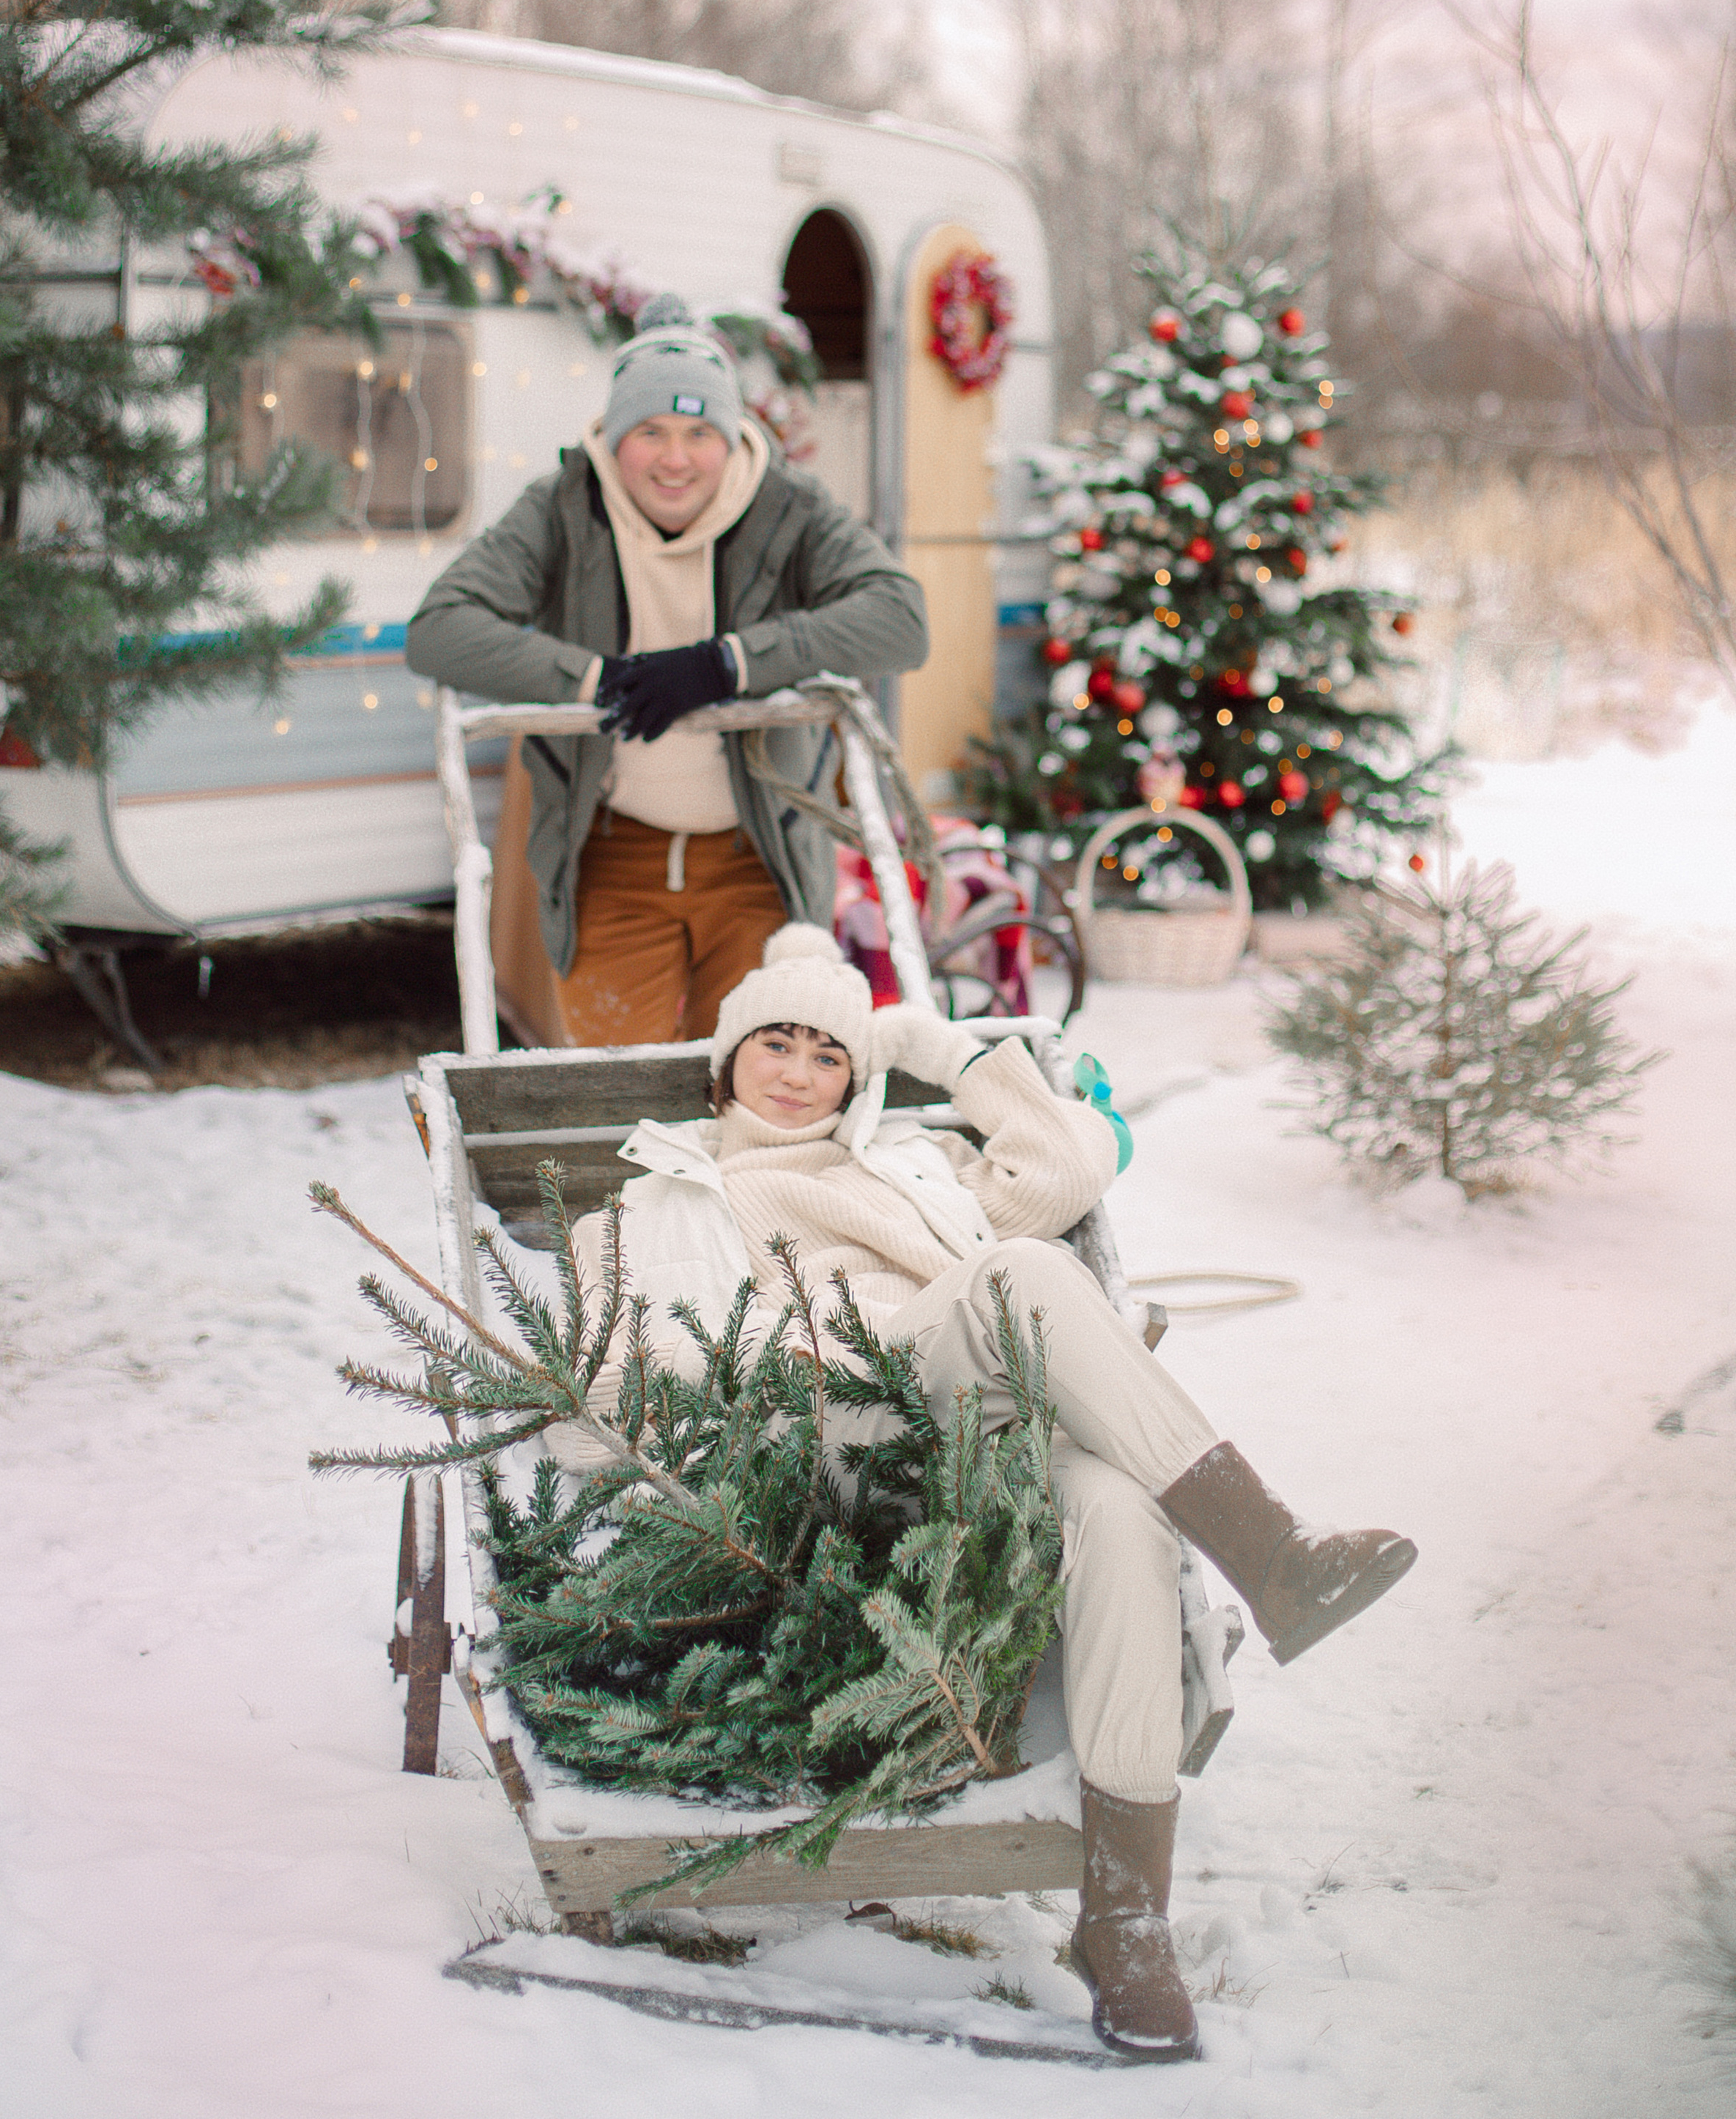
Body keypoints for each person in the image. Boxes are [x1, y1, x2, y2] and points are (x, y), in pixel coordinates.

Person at [560, 925, 1417, 2066]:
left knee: (1117, 1505)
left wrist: (934, 1046)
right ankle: (1273, 1556)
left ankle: (1123, 1919)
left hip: (973, 1422)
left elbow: (1065, 1170)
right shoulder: (643, 1212)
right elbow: (607, 1386)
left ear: (857, 1079)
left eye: (829, 1053)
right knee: (1021, 1275)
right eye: (775, 1041)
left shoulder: (913, 1170)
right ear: (726, 1063)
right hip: (824, 1441)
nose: (797, 1070)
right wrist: (782, 1354)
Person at [405, 295, 929, 1047]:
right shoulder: (565, 505)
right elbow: (440, 630)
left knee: (750, 1099)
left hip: (759, 859)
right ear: (616, 438)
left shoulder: (787, 506)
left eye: (698, 433)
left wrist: (727, 664)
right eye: (649, 432)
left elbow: (900, 621)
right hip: (613, 857)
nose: (675, 459)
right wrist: (598, 682)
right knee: (616, 1098)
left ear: (733, 434)